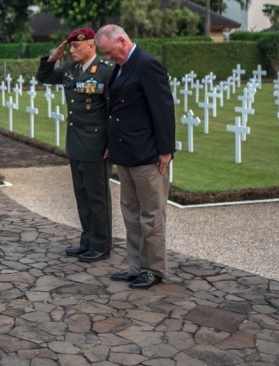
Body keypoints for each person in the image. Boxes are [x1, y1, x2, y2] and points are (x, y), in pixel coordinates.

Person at [94, 24, 176, 289]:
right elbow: (114, 111)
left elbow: (163, 109)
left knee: (151, 215)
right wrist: (110, 144)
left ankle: (154, 269)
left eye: (109, 52)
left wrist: (165, 150)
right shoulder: (120, 68)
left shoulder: (148, 64)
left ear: (122, 40)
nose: (108, 58)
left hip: (147, 155)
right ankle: (135, 267)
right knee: (130, 213)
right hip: (125, 152)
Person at [36, 28, 113, 263]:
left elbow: (113, 110)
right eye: (70, 46)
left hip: (96, 143)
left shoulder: (105, 72)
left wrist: (110, 143)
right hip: (76, 141)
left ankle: (101, 244)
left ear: (91, 46)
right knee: (82, 195)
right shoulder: (71, 70)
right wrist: (52, 58)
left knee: (97, 196)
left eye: (76, 46)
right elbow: (45, 77)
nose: (72, 50)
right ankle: (88, 240)